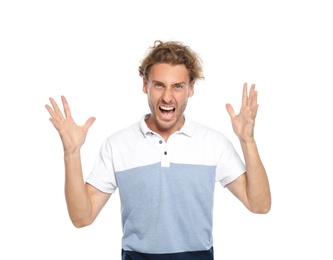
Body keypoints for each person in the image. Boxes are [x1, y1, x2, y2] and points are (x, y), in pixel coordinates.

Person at [45, 40, 271, 260]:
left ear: (191, 88)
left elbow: (259, 205)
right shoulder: (118, 145)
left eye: (178, 86)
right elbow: (81, 217)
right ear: (145, 85)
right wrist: (71, 154)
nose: (167, 97)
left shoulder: (213, 143)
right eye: (159, 85)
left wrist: (248, 141)